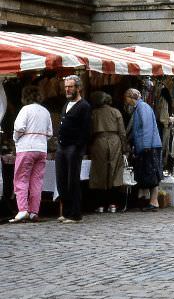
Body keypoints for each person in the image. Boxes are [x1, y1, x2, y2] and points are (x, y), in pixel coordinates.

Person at [10, 86, 53, 223]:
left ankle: (22, 209)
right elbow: (50, 133)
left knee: (21, 179)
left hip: (26, 147)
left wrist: (16, 139)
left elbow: (19, 127)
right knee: (37, 181)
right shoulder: (45, 111)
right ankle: (34, 211)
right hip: (41, 149)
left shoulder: (25, 109)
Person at [55, 75, 92, 223]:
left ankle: (75, 214)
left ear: (78, 88)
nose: (67, 89)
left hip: (73, 147)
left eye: (70, 86)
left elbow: (86, 129)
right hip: (62, 146)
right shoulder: (66, 104)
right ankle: (66, 212)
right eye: (66, 87)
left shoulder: (84, 106)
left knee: (72, 181)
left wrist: (78, 146)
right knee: (61, 180)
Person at [88, 91, 126, 214]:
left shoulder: (94, 113)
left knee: (100, 172)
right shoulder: (116, 112)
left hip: (99, 142)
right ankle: (113, 204)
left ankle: (100, 204)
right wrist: (125, 148)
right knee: (114, 172)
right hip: (115, 141)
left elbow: (90, 131)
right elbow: (122, 132)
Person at [125, 88, 163, 211]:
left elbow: (147, 127)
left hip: (149, 146)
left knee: (151, 173)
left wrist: (146, 145)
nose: (126, 101)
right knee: (148, 173)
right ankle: (148, 200)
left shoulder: (142, 108)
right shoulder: (140, 108)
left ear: (131, 97)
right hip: (147, 145)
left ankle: (154, 201)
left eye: (126, 98)